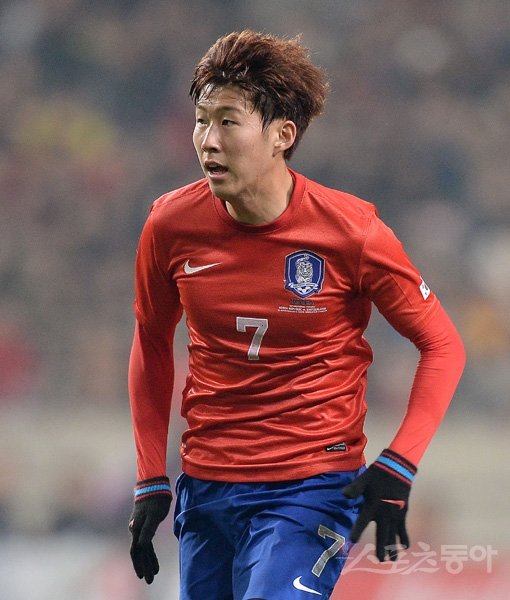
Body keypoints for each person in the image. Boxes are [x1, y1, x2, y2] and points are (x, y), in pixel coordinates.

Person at [128, 30, 465, 599]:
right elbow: (151, 340)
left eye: (228, 121)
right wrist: (149, 476)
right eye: (201, 121)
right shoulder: (170, 224)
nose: (208, 140)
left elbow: (443, 345)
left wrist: (400, 462)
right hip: (208, 485)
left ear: (282, 135)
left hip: (310, 487)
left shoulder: (351, 231)